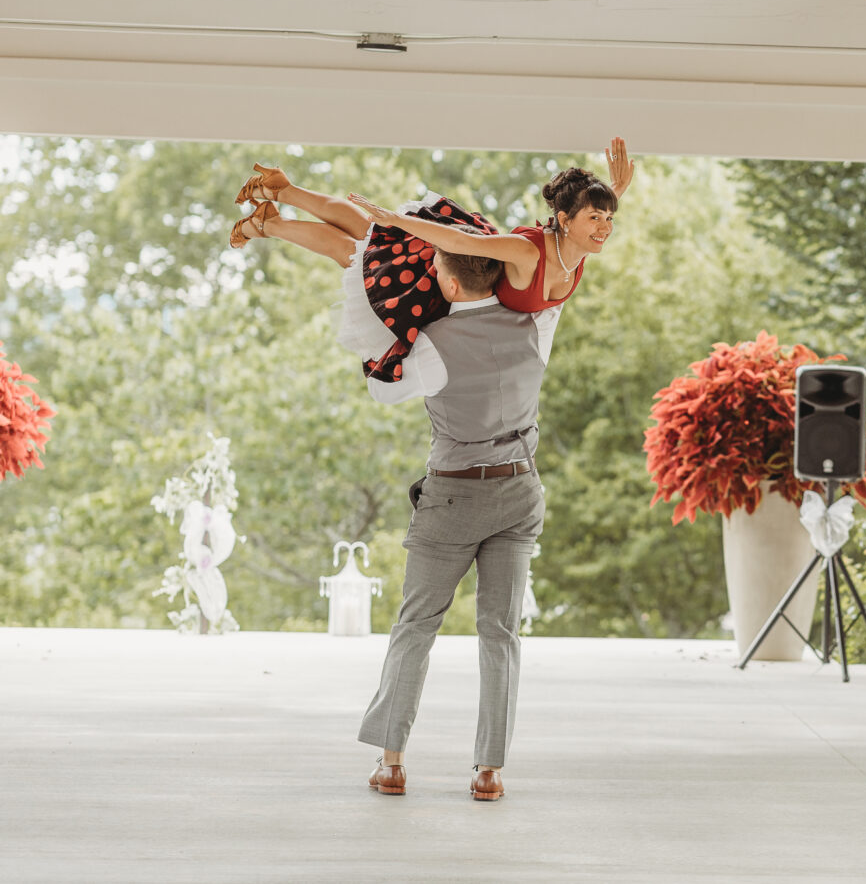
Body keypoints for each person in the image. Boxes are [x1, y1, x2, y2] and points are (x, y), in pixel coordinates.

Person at [358, 232, 558, 802]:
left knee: (416, 625)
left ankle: (391, 761)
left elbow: (382, 392)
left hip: (452, 496)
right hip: (519, 489)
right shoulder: (538, 327)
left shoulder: (428, 342)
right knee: (501, 632)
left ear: (446, 282)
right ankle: (490, 771)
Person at [228, 138, 634, 381]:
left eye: (609, 218)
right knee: (354, 249)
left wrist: (613, 191)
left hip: (470, 280)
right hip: (456, 265)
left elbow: (590, 224)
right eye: (595, 218)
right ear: (564, 221)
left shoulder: (577, 247)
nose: (604, 228)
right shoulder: (528, 251)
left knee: (360, 234)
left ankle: (280, 193)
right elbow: (458, 240)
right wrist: (397, 220)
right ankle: (269, 222)